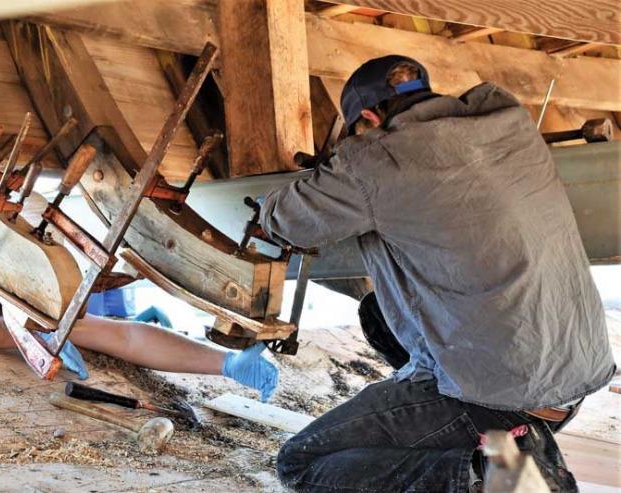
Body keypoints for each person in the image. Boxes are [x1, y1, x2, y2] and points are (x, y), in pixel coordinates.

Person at [261, 55, 615, 492]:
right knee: (378, 316)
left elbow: (282, 220)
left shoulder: (375, 161)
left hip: (505, 392)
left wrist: (331, 174)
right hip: (572, 369)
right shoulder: (508, 122)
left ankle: (501, 476)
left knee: (302, 461)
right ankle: (499, 445)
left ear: (369, 118)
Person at [0, 225, 278, 402]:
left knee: (86, 327)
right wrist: (32, 333)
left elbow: (121, 336)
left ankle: (231, 365)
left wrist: (227, 363)